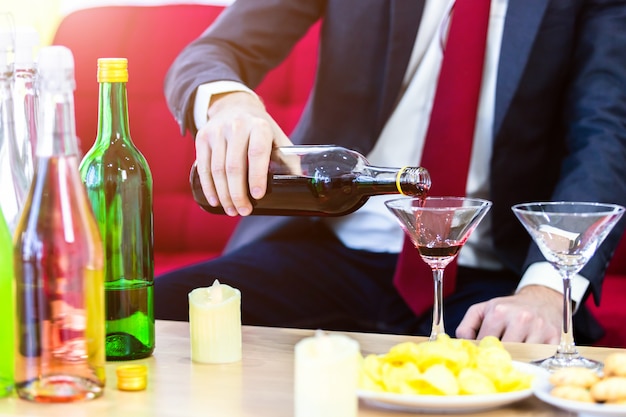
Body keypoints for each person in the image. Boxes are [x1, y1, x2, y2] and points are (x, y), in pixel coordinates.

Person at [157, 0, 626, 345]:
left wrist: (545, 292)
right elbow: (215, 50)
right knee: (141, 319)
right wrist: (229, 104)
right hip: (327, 245)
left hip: (489, 273)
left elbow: (605, 135)